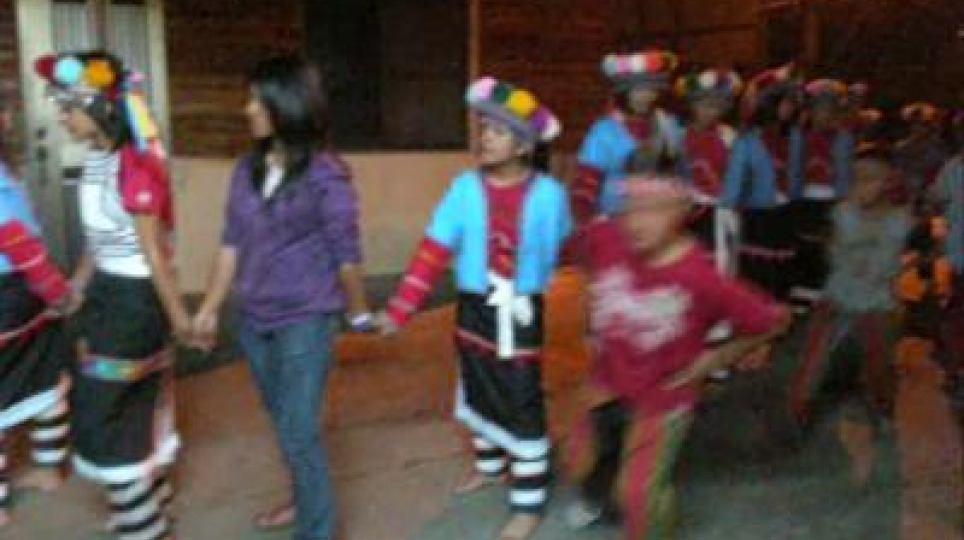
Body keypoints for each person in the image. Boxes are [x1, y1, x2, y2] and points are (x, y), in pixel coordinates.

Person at [379, 77, 571, 540]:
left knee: (522, 399)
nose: (484, 137)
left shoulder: (549, 196)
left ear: (524, 145)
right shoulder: (464, 189)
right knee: (477, 384)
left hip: (519, 313)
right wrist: (400, 310)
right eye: (483, 128)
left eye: (497, 131)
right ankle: (490, 467)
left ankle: (528, 502)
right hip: (473, 307)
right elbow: (433, 250)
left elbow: (561, 246)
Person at [192, 55, 372, 540]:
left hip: (306, 318)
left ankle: (318, 530)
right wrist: (209, 307)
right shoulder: (246, 170)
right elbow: (231, 242)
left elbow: (346, 253)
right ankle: (302, 501)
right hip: (254, 318)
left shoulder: (326, 174)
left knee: (300, 430)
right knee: (284, 421)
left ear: (285, 104)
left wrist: (359, 311)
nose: (247, 108)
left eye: (256, 99)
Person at [564, 171, 789, 539]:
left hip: (664, 395)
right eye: (630, 207)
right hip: (607, 381)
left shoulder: (701, 278)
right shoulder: (606, 236)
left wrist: (718, 358)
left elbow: (774, 320)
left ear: (683, 210)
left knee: (639, 493)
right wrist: (592, 316)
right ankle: (600, 498)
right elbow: (581, 257)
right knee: (579, 456)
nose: (637, 221)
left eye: (654, 209)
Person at [36, 50, 187, 540]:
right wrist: (75, 289)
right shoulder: (98, 159)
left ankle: (144, 527)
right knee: (128, 401)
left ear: (99, 108)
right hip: (108, 293)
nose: (62, 117)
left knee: (105, 409)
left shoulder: (136, 166)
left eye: (68, 108)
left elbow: (154, 254)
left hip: (135, 301)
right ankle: (151, 502)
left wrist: (180, 319)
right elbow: (98, 242)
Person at [788, 146, 911, 486]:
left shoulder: (898, 219)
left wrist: (856, 250)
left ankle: (884, 416)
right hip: (838, 300)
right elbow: (838, 256)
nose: (861, 186)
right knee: (811, 367)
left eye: (871, 179)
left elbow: (883, 266)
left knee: (880, 372)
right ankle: (798, 424)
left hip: (876, 305)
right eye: (857, 178)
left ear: (889, 182)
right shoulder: (845, 212)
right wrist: (857, 248)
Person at [0, 88, 77, 528]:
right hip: (25, 293)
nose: (11, 119)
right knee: (46, 376)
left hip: (12, 295)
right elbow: (25, 244)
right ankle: (49, 468)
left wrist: (55, 291)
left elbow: (17, 242)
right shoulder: (7, 175)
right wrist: (54, 293)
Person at [720, 64, 803, 302]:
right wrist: (728, 208)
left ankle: (778, 306)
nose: (790, 107)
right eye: (785, 101)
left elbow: (796, 173)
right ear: (768, 103)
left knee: (782, 266)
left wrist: (795, 200)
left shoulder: (794, 137)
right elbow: (735, 179)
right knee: (757, 270)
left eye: (793, 102)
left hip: (785, 212)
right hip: (757, 215)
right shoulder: (748, 140)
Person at [571, 50, 682, 224]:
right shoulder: (604, 132)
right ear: (625, 93)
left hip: (657, 218)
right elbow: (586, 184)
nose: (646, 96)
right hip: (613, 219)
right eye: (639, 90)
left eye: (652, 90)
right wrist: (590, 220)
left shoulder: (668, 125)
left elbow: (677, 173)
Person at [787, 79, 856, 312]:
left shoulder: (842, 138)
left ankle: (823, 300)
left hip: (831, 202)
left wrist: (843, 204)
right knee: (804, 251)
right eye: (818, 108)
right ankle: (801, 301)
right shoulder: (799, 135)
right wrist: (793, 199)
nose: (823, 115)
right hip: (804, 202)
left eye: (829, 109)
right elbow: (795, 170)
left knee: (826, 253)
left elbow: (844, 174)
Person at [675, 68, 742, 278]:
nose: (710, 111)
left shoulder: (728, 136)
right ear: (691, 105)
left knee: (718, 264)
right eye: (703, 105)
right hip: (684, 211)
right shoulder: (678, 135)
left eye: (716, 106)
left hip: (719, 211)